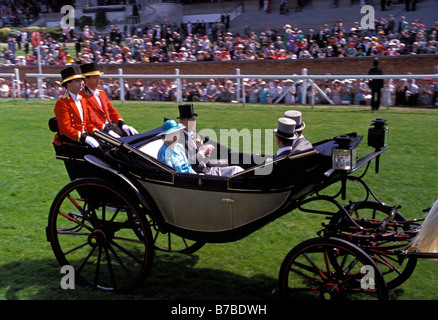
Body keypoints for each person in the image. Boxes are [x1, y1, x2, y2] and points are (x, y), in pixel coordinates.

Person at [177, 104, 244, 176]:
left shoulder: (196, 134)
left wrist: (206, 153)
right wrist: (202, 152)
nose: (193, 123)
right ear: (181, 122)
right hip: (199, 173)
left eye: (194, 120)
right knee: (236, 170)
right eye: (190, 120)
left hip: (207, 167)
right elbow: (188, 163)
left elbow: (200, 155)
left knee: (237, 167)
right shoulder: (179, 139)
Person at [80, 62, 138, 137]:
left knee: (134, 136)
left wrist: (122, 124)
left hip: (110, 126)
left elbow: (111, 110)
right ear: (86, 79)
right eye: (94, 77)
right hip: (97, 130)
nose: (98, 80)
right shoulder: (81, 96)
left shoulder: (101, 93)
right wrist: (108, 131)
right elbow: (91, 119)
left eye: (98, 77)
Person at [53, 65, 101, 148]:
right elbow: (65, 129)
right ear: (69, 84)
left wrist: (99, 133)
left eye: (81, 80)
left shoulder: (83, 100)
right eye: (77, 81)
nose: (81, 83)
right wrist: (84, 138)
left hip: (85, 135)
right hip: (71, 140)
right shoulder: (62, 103)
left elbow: (87, 123)